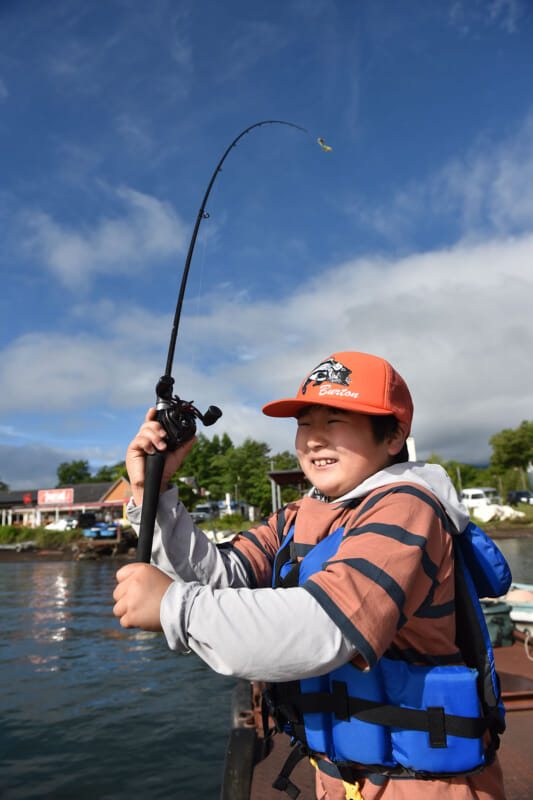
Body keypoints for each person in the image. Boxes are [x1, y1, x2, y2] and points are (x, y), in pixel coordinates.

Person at [113, 351, 505, 800]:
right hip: (337, 779)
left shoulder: (408, 507)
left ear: (395, 434)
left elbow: (327, 626)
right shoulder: (299, 514)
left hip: (423, 784)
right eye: (303, 424)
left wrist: (173, 607)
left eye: (335, 420)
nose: (313, 440)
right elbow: (221, 577)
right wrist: (153, 491)